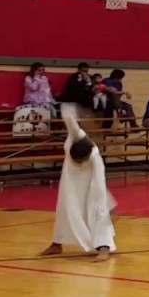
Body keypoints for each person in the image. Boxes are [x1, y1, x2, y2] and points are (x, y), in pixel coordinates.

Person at [39, 104, 116, 262]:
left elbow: (100, 187)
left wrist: (106, 204)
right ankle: (56, 244)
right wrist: (68, 106)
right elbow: (68, 116)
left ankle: (104, 247)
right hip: (70, 180)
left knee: (97, 210)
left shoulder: (95, 158)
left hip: (90, 184)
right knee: (64, 209)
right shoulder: (76, 134)